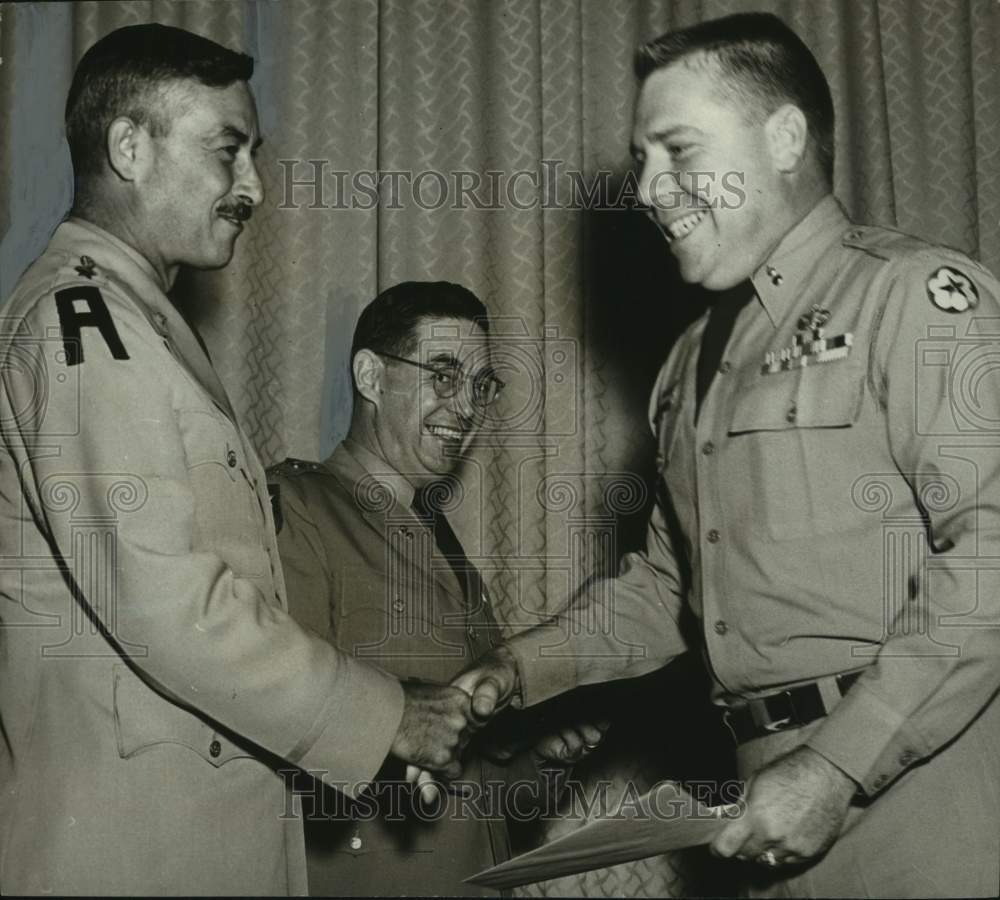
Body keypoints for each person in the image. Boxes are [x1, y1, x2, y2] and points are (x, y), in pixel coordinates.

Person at [450, 12, 1000, 898]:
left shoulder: (913, 298)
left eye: (678, 151)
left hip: (916, 792)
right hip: (763, 807)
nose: (648, 189)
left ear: (784, 138)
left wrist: (837, 766)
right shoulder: (691, 359)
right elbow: (668, 592)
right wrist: (520, 669)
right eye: (641, 161)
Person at [0, 25, 474, 896]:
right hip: (133, 847)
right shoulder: (87, 326)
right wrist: (387, 719)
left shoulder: (135, 323)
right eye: (228, 151)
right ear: (130, 148)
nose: (252, 186)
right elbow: (166, 603)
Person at [268, 281, 606, 896]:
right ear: (371, 378)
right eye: (443, 377)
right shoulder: (301, 508)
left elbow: (472, 787)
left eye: (481, 386)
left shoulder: (441, 539)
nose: (467, 408)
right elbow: (274, 719)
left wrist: (539, 756)